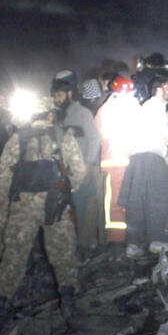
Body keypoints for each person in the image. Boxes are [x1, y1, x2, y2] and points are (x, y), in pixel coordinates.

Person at [0, 101, 86, 323]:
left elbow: (3, 179)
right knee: (63, 254)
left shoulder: (17, 139)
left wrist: (1, 211)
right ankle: (68, 300)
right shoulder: (63, 137)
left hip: (22, 206)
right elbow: (79, 170)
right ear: (50, 115)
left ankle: (0, 305)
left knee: (14, 256)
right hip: (55, 205)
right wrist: (67, 189)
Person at [118, 76, 168, 257]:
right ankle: (156, 241)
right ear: (159, 88)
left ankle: (133, 244)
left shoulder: (147, 107)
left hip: (137, 158)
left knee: (137, 200)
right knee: (158, 198)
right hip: (152, 156)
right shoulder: (155, 107)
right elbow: (167, 138)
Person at [53, 78, 103, 257]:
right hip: (65, 172)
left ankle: (86, 246)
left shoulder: (82, 113)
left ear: (68, 94)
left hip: (82, 169)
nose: (56, 99)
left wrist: (88, 164)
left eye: (59, 95)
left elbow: (94, 139)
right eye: (54, 96)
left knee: (85, 207)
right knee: (69, 208)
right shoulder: (60, 116)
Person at [94, 76, 141, 246]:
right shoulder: (136, 107)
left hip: (113, 163)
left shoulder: (106, 109)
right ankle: (134, 241)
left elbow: (100, 134)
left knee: (113, 203)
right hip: (133, 162)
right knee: (133, 200)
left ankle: (115, 242)